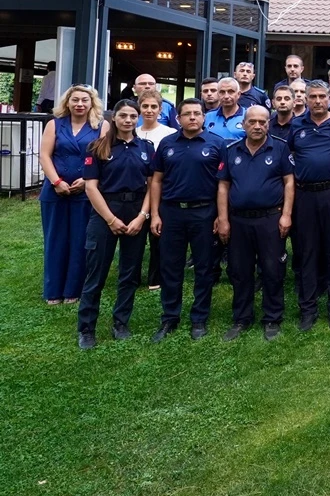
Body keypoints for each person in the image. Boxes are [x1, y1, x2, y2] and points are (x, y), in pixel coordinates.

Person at [78, 100, 154, 348]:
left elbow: (152, 185)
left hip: (136, 211)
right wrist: (110, 219)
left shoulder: (146, 147)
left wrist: (142, 216)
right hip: (105, 211)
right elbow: (91, 187)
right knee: (96, 273)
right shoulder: (98, 147)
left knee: (129, 274)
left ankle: (121, 322)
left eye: (133, 116)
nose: (128, 120)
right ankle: (86, 328)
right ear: (114, 118)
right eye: (123, 116)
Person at [149, 98, 227, 342]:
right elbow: (156, 180)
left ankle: (199, 318)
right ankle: (170, 317)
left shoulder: (217, 144)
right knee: (170, 267)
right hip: (172, 212)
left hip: (204, 213)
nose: (192, 117)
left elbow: (223, 185)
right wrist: (155, 214)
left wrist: (220, 215)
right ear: (179, 118)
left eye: (197, 113)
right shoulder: (167, 143)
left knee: (204, 267)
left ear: (204, 117)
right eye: (187, 114)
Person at [215, 105, 293, 342]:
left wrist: (286, 215)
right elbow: (223, 186)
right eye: (252, 122)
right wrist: (223, 219)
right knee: (240, 271)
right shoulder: (231, 150)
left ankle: (272, 317)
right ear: (244, 124)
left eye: (262, 122)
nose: (257, 126)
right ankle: (242, 317)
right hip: (239, 220)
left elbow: (289, 182)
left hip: (270, 218)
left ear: (268, 124)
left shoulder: (280, 148)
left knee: (272, 269)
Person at [288, 80, 330, 331]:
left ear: (329, 98)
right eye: (312, 97)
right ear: (305, 99)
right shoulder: (296, 125)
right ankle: (308, 307)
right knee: (307, 251)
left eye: (321, 96)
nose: (317, 101)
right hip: (305, 196)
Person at [39, 84, 103, 305]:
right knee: (55, 240)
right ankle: (53, 290)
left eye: (85, 100)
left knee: (79, 240)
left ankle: (73, 290)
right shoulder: (54, 124)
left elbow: (103, 158)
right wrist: (56, 182)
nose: (80, 104)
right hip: (55, 191)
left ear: (92, 103)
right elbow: (44, 156)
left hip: (85, 192)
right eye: (75, 100)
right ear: (67, 102)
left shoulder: (100, 126)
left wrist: (87, 180)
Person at [135, 92, 177, 291]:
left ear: (160, 110)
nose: (149, 110)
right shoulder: (133, 132)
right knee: (136, 234)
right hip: (137, 188)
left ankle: (156, 277)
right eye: (145, 106)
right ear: (139, 108)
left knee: (157, 234)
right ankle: (133, 275)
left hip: (161, 187)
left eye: (153, 107)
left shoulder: (169, 133)